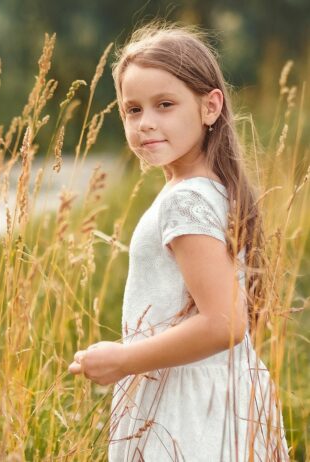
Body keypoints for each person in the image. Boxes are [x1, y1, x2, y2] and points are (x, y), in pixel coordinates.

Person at [68, 22, 290, 461]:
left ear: (210, 107)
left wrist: (122, 360)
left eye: (164, 105)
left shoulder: (186, 200)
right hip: (211, 393)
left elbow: (224, 323)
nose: (146, 123)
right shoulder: (205, 188)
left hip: (188, 408)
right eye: (132, 110)